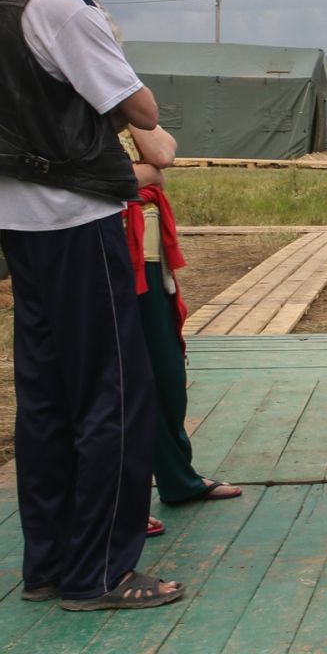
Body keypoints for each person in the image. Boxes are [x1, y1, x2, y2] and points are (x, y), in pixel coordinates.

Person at [0, 0, 182, 611]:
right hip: (74, 214)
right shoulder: (60, 3)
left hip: (12, 212)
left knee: (46, 395)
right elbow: (136, 104)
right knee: (113, 391)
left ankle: (49, 561)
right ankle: (102, 570)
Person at [118, 126, 242, 522]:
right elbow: (101, 176)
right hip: (106, 253)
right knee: (119, 378)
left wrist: (128, 109)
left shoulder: (119, 108)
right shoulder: (72, 108)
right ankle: (119, 503)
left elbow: (164, 152)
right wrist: (145, 174)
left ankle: (177, 478)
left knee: (166, 371)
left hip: (148, 258)